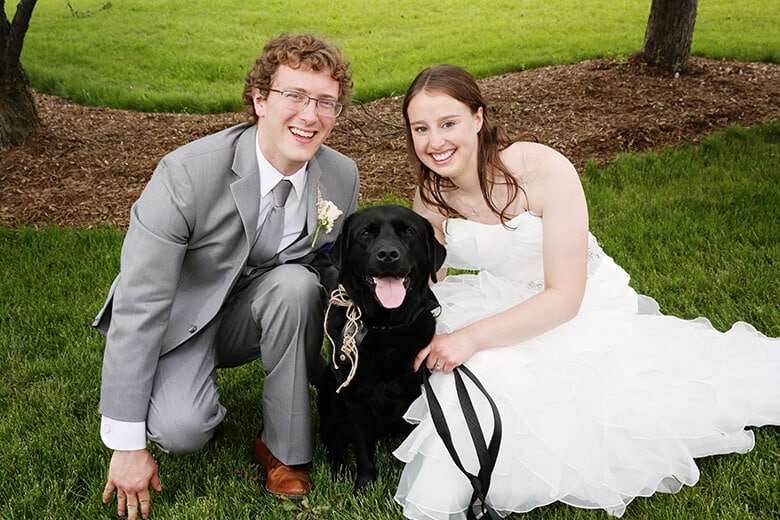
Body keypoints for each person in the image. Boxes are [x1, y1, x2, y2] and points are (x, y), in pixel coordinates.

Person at [392, 64, 780, 519]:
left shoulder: (539, 169)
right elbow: (426, 282)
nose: (435, 142)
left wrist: (471, 337)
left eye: (448, 123)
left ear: (478, 118)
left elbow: (565, 297)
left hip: (578, 305)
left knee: (494, 368)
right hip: (498, 295)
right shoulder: (430, 196)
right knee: (451, 364)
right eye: (421, 128)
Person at [92, 33, 359, 520]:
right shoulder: (186, 174)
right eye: (294, 96)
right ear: (259, 99)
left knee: (297, 285)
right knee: (182, 432)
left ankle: (284, 448)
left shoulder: (341, 176)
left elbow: (326, 265)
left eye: (325, 102)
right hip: (180, 316)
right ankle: (174, 391)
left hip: (261, 307)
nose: (309, 115)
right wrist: (127, 442)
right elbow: (141, 299)